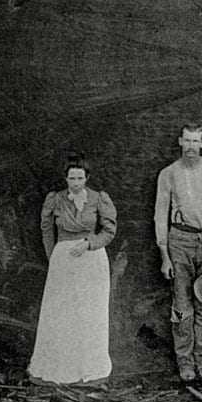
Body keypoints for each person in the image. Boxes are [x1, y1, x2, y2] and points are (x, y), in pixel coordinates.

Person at [28, 155, 116, 386]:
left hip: (92, 259)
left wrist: (89, 243)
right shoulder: (55, 199)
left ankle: (89, 368)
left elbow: (109, 231)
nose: (75, 182)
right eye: (71, 177)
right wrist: (56, 256)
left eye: (80, 177)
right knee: (62, 313)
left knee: (89, 313)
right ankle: (60, 368)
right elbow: (46, 229)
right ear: (65, 178)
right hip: (64, 260)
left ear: (87, 178)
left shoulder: (98, 199)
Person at [154, 125, 202, 383]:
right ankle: (185, 363)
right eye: (186, 140)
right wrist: (164, 254)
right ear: (179, 141)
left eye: (195, 141)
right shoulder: (168, 173)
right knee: (182, 306)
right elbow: (160, 213)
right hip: (179, 241)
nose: (190, 146)